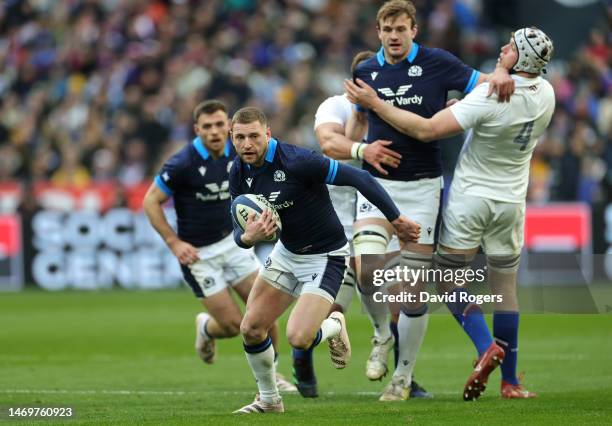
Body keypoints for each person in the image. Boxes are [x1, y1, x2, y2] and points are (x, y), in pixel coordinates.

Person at [345, 26, 555, 400]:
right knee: (504, 289)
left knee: (446, 278)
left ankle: (485, 345)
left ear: (520, 58)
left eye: (511, 47)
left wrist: (376, 104)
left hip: (472, 198)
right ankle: (511, 382)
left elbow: (426, 131)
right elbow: (486, 99)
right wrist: (497, 78)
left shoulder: (489, 97)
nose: (503, 47)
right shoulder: (547, 94)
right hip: (512, 201)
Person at [229, 107, 421, 413]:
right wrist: (249, 237)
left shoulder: (297, 161)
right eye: (240, 137)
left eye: (254, 136)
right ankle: (269, 400)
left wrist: (396, 219)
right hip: (287, 254)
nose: (247, 144)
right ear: (233, 138)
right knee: (251, 327)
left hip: (325, 256)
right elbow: (239, 234)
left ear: (268, 133)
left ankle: (333, 325)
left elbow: (359, 177)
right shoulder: (238, 170)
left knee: (299, 339)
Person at [142, 100, 295, 391]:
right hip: (199, 255)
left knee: (263, 313)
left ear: (229, 126)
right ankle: (206, 327)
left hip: (234, 243)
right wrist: (174, 243)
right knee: (231, 325)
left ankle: (272, 374)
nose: (214, 131)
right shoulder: (182, 163)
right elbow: (150, 201)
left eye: (219, 125)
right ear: (197, 129)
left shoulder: (240, 154)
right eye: (207, 126)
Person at [292, 50, 419, 398]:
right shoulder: (334, 106)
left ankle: (401, 371)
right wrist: (363, 146)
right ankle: (300, 357)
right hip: (333, 223)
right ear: (356, 82)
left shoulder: (395, 109)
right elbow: (329, 145)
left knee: (391, 293)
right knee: (327, 315)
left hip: (375, 212)